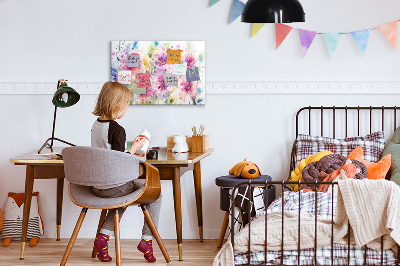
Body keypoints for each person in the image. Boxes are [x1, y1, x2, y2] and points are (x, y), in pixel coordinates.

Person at [91, 81, 161, 263]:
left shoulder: (96, 125)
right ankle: (147, 240)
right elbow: (118, 161)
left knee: (122, 197)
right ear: (117, 105)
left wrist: (130, 149)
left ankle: (103, 238)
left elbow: (108, 154)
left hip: (97, 186)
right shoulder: (117, 129)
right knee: (156, 194)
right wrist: (135, 149)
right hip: (114, 186)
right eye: (126, 104)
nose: (127, 109)